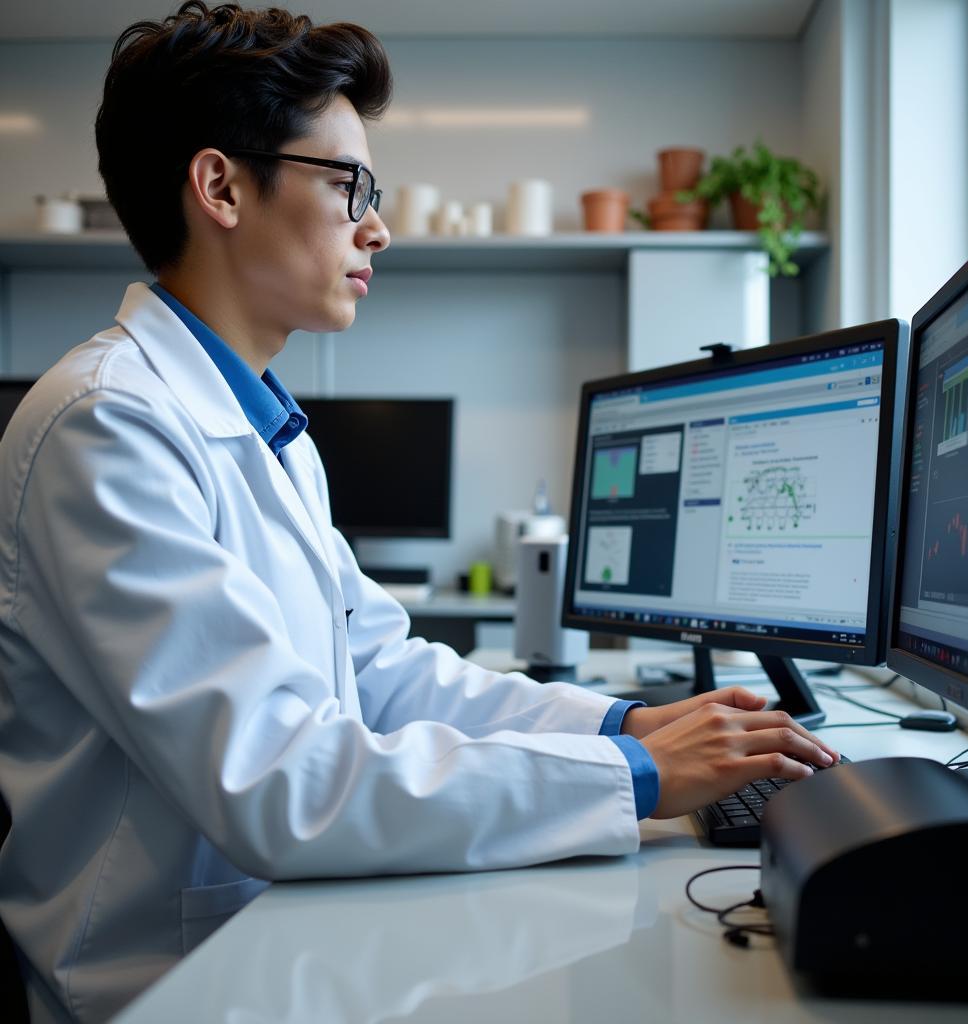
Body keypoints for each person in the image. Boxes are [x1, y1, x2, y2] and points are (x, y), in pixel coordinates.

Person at [0, 4, 838, 1022]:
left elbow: (387, 678)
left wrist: (626, 722)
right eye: (347, 184)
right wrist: (637, 772)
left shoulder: (261, 430)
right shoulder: (107, 426)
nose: (377, 226)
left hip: (279, 940)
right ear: (220, 185)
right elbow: (277, 780)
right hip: (164, 984)